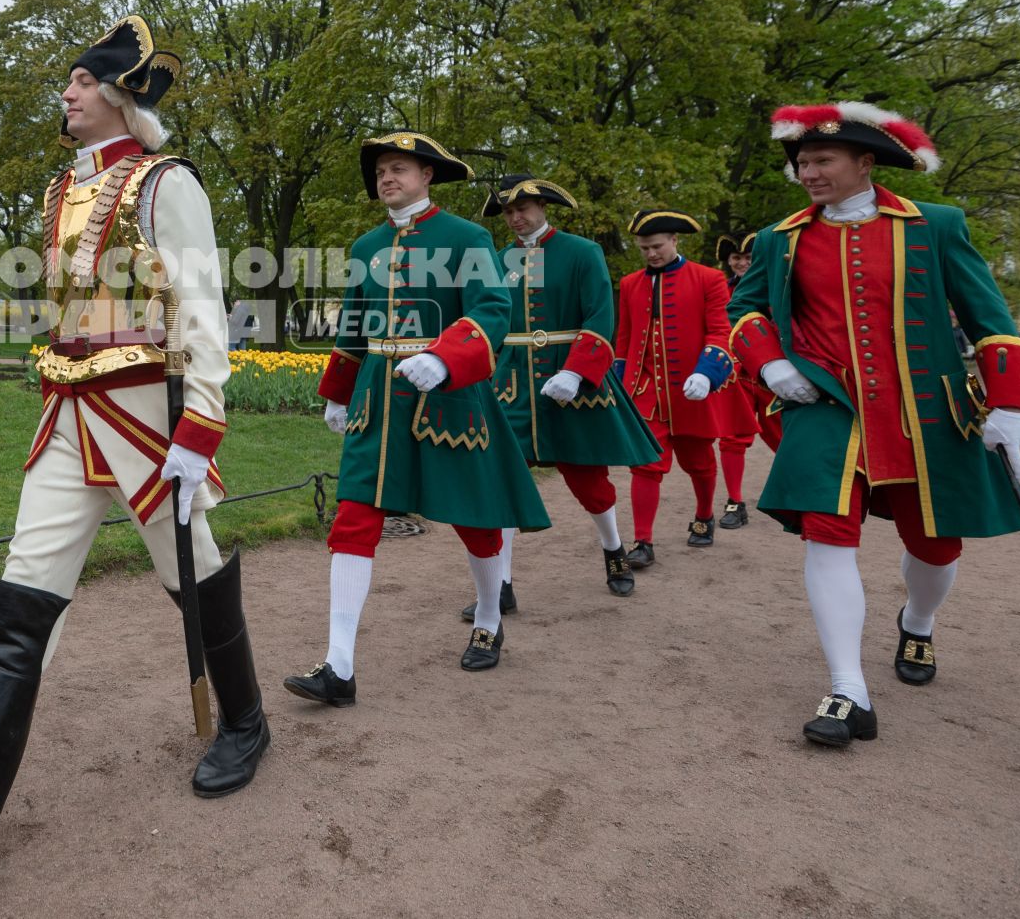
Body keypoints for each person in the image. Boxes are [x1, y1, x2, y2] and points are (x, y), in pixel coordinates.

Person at [0, 16, 267, 878]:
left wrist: (201, 426)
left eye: (80, 80)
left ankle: (246, 721)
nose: (67, 92)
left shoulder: (165, 183)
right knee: (22, 600)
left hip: (148, 424)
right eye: (71, 80)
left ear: (116, 95)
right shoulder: (60, 190)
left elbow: (202, 305)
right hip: (68, 420)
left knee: (191, 573)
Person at [729, 101, 1020, 746]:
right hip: (826, 410)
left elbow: (991, 318)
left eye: (822, 161)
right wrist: (771, 361)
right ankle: (848, 690)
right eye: (802, 162)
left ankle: (918, 622)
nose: (808, 172)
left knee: (935, 547)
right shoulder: (778, 239)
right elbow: (744, 311)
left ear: (865, 163)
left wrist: (1009, 406)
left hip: (925, 414)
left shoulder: (937, 226)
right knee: (827, 534)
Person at [285, 133, 550, 705]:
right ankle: (339, 667)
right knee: (353, 518)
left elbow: (492, 312)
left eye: (398, 168)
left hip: (449, 398)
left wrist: (445, 356)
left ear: (428, 175)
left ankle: (488, 615)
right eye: (381, 170)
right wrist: (338, 391)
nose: (387, 178)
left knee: (475, 520)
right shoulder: (364, 246)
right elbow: (353, 328)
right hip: (376, 403)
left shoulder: (468, 237)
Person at [457, 173, 659, 616]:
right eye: (508, 211)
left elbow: (601, 316)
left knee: (589, 483)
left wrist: (577, 372)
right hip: (510, 389)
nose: (515, 217)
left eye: (522, 208)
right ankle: (502, 584)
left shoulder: (582, 252)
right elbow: (482, 319)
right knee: (501, 483)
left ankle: (614, 548)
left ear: (544, 205)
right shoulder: (495, 258)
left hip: (572, 384)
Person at [613, 211, 743, 563]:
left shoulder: (709, 278)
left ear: (674, 240)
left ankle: (704, 517)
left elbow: (720, 331)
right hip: (646, 391)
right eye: (644, 249)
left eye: (657, 246)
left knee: (698, 461)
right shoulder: (629, 284)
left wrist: (707, 372)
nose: (651, 254)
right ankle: (643, 542)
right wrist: (621, 385)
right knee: (645, 465)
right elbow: (624, 339)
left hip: (692, 387)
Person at [713, 233, 780, 528]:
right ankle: (735, 501)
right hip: (735, 377)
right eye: (737, 258)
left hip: (772, 375)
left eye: (748, 258)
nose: (742, 263)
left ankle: (801, 496)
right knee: (731, 439)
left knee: (785, 437)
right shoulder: (719, 290)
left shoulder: (776, 287)